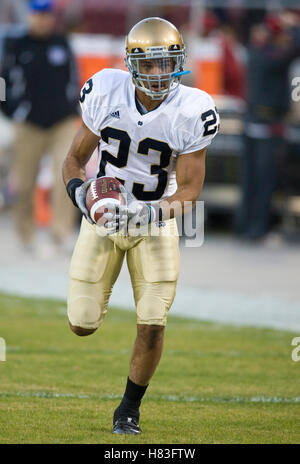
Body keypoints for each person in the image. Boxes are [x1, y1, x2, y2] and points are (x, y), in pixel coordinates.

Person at [62, 17, 219, 435]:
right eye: (148, 65)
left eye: (166, 64)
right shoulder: (106, 90)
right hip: (104, 219)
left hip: (154, 219)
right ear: (131, 65)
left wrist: (151, 213)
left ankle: (128, 410)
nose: (158, 73)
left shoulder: (191, 109)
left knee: (152, 323)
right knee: (81, 322)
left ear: (178, 63)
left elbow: (188, 191)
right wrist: (80, 194)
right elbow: (74, 160)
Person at [1, 0, 79, 252]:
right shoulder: (16, 44)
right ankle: (26, 235)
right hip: (28, 123)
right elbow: (2, 80)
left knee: (65, 175)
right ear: (30, 15)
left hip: (62, 123)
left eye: (47, 15)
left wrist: (72, 108)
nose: (43, 20)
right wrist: (10, 110)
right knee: (23, 182)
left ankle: (61, 233)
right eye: (38, 14)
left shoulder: (62, 44)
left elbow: (73, 78)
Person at [235, 11, 300, 241]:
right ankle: (256, 229)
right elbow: (295, 48)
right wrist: (293, 27)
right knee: (263, 182)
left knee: (250, 180)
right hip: (267, 127)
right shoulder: (273, 57)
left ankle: (243, 227)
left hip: (253, 123)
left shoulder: (255, 52)